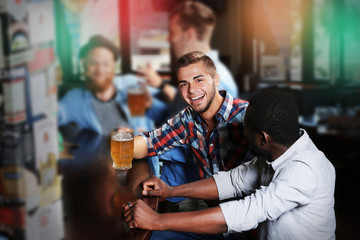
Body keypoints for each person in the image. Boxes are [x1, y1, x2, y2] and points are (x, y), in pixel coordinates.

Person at [123, 89, 336, 240]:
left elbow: (244, 212)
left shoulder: (305, 170)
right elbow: (232, 182)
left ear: (263, 138)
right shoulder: (278, 152)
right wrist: (170, 191)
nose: (242, 133)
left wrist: (157, 221)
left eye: (246, 129)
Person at [136, 51, 251, 213]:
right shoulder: (187, 119)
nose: (191, 90)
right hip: (211, 215)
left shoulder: (246, 115)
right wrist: (119, 146)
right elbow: (150, 142)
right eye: (184, 84)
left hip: (251, 218)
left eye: (199, 80)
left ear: (216, 79)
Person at [138, 0, 239, 118]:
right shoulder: (192, 72)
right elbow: (177, 118)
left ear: (189, 34)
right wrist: (151, 106)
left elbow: (185, 131)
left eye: (172, 33)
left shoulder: (216, 83)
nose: (169, 40)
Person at [58, 35, 167, 135]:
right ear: (84, 64)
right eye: (93, 63)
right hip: (105, 154)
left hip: (145, 152)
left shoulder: (132, 84)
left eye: (106, 64)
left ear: (113, 66)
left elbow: (172, 112)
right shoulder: (76, 98)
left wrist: (152, 105)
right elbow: (54, 116)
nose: (100, 70)